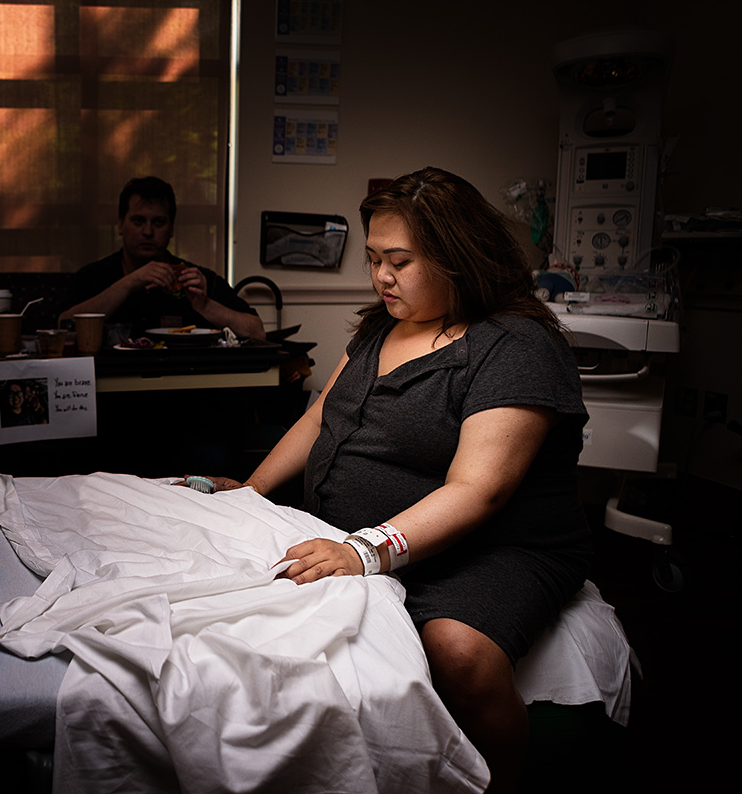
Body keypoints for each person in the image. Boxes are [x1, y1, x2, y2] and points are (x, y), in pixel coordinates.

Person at [190, 167, 591, 793]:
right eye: (375, 259)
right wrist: (253, 490)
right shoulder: (382, 325)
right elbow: (322, 412)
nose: (380, 277)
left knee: (460, 654)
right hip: (361, 527)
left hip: (495, 545)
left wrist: (363, 550)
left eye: (398, 261)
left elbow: (476, 490)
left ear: (457, 258)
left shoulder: (514, 346)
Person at [58, 177, 265, 340]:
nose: (148, 231)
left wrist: (204, 305)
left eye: (158, 222)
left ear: (172, 229)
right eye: (138, 221)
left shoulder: (192, 279)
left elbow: (256, 332)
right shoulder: (94, 276)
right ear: (120, 225)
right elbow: (62, 326)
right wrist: (130, 282)